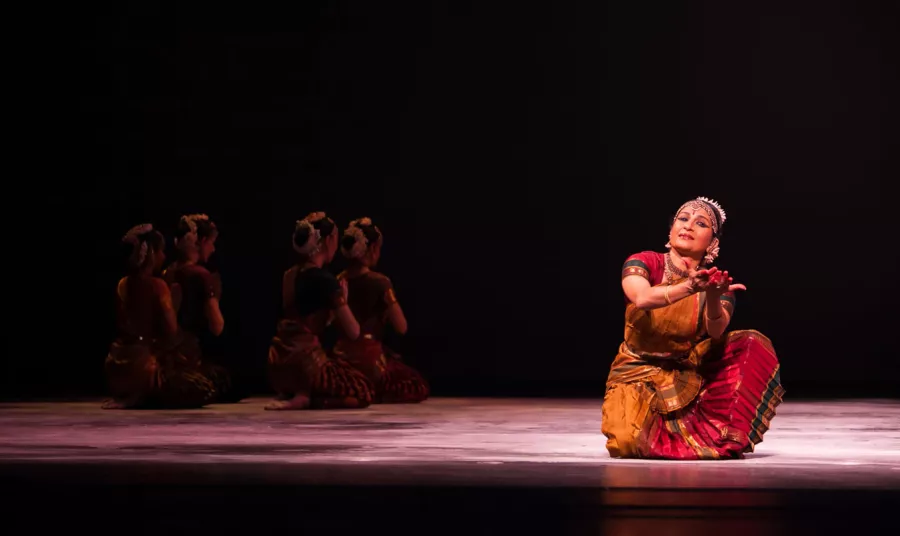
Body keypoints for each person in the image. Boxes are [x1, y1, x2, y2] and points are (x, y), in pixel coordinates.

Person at [602, 197, 784, 459]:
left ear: (712, 243)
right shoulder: (644, 262)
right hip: (635, 370)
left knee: (751, 344)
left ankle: (713, 433)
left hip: (686, 371)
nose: (688, 226)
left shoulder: (716, 283)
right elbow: (641, 298)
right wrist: (688, 287)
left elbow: (716, 331)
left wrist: (711, 295)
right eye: (683, 219)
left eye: (700, 223)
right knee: (628, 441)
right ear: (670, 230)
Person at [266, 212, 374, 410]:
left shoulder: (288, 275)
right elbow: (354, 331)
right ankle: (308, 399)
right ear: (328, 240)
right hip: (305, 365)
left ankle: (294, 392)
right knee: (363, 390)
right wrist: (344, 300)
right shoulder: (326, 280)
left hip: (278, 363)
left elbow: (302, 321)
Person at [103, 224, 217, 409]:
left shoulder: (122, 284)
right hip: (143, 368)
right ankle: (143, 395)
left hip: (116, 367)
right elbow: (171, 332)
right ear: (151, 254)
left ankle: (130, 394)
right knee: (205, 387)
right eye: (161, 251)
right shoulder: (158, 286)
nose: (164, 257)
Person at [335, 218, 429, 403]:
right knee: (416, 385)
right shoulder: (380, 282)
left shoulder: (338, 280)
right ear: (371, 249)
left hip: (341, 356)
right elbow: (401, 327)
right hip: (369, 358)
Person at [162, 214, 234, 401]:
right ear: (201, 241)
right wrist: (215, 295)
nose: (213, 248)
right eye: (211, 242)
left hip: (164, 357)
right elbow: (217, 327)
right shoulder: (201, 275)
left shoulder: (167, 272)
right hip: (188, 357)